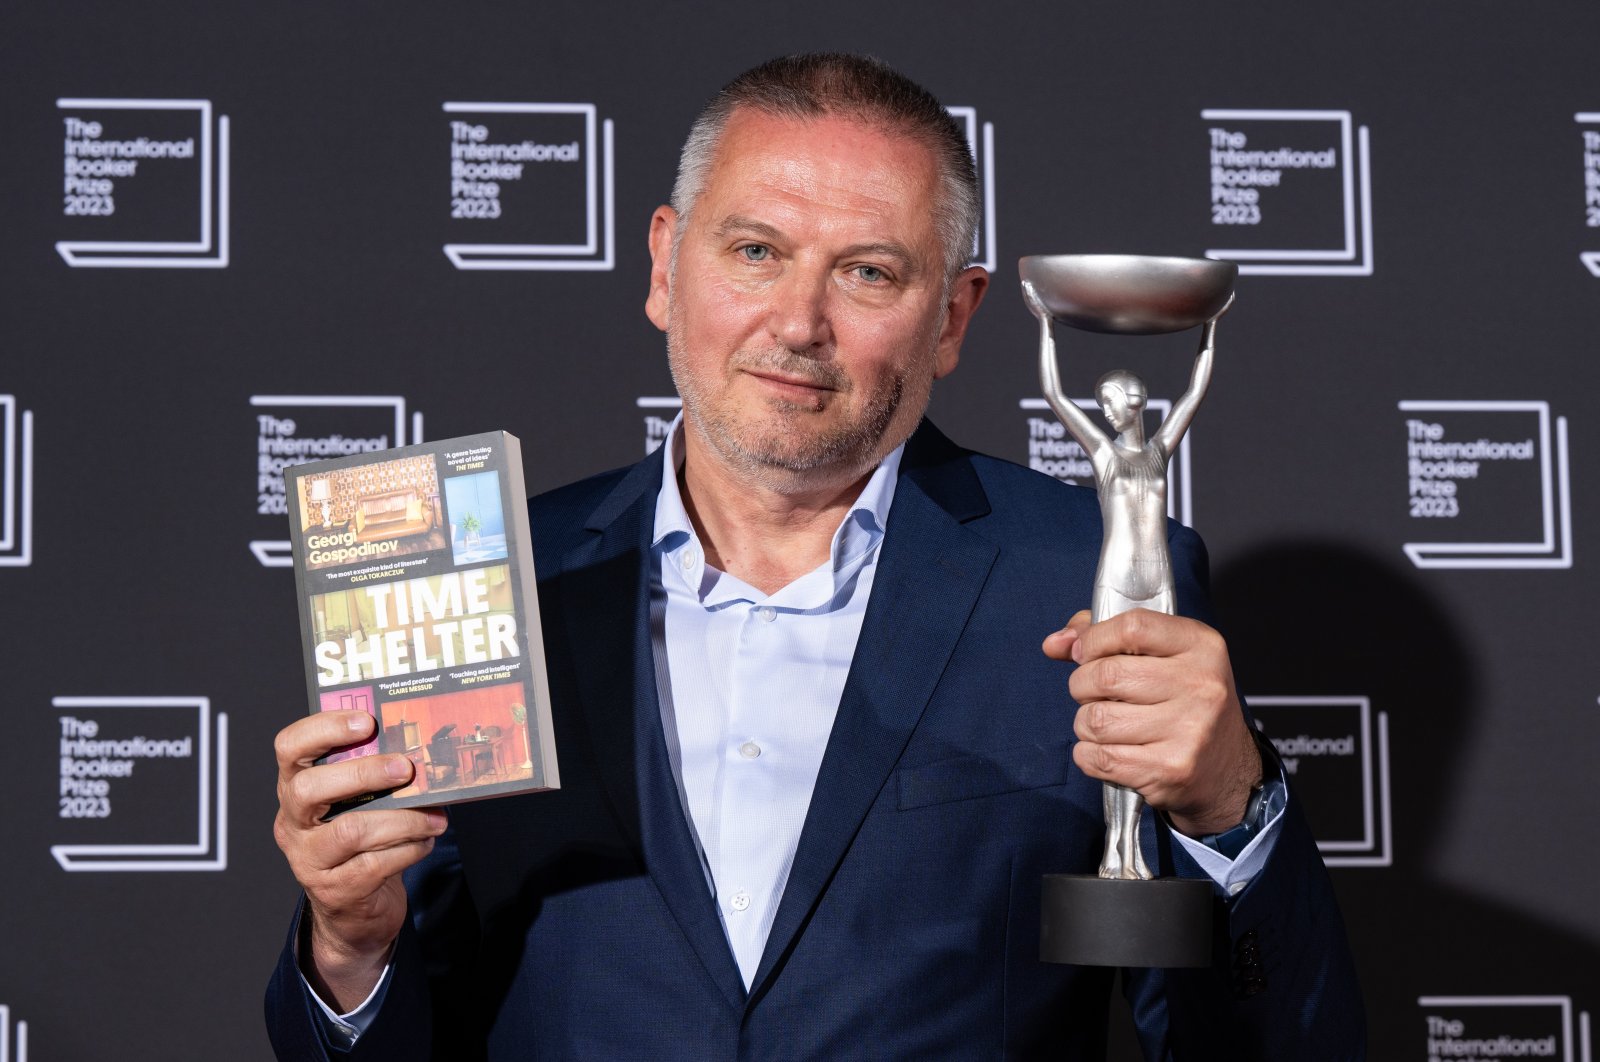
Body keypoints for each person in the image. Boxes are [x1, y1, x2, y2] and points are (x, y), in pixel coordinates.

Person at [267, 53, 1363, 1059]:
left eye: (869, 273)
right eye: (755, 252)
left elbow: (1275, 1043)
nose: (798, 321)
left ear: (951, 316)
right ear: (664, 264)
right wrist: (352, 950)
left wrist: (1229, 807)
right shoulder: (492, 581)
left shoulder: (1095, 572)